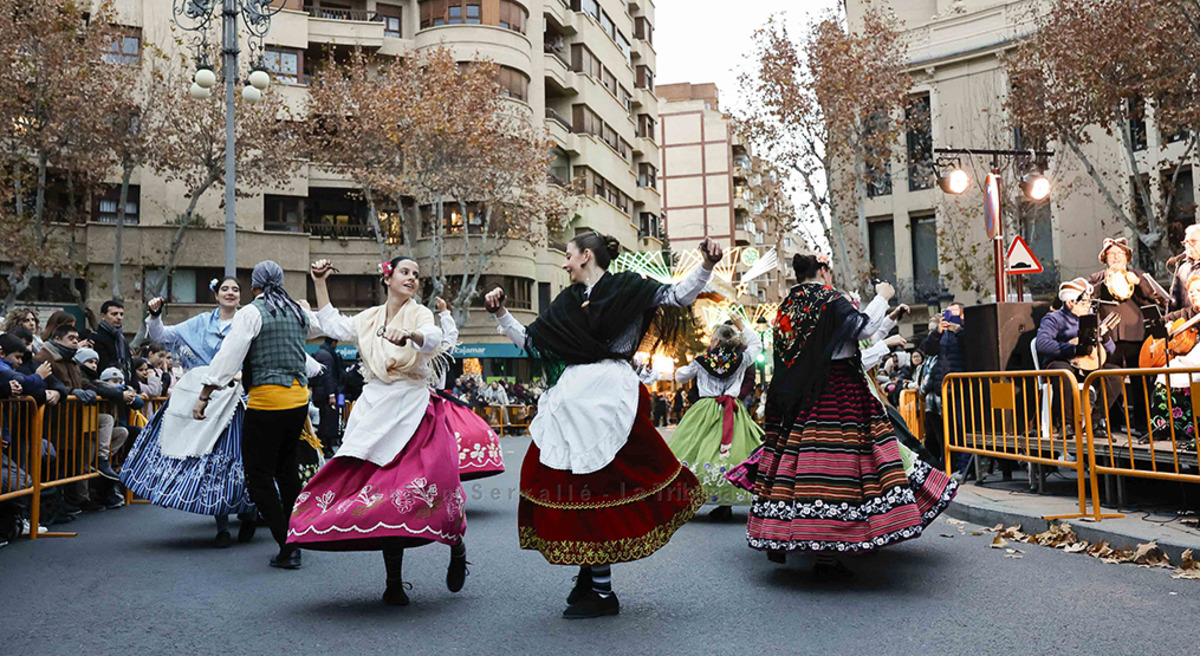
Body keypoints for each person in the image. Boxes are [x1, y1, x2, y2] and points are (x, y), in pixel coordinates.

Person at [483, 232, 716, 620]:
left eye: (569, 256)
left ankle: (603, 593)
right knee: (576, 488)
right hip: (572, 395)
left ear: (586, 256)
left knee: (604, 490)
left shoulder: (628, 287)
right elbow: (532, 342)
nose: (564, 264)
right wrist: (502, 313)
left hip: (611, 397)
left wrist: (706, 266)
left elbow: (677, 296)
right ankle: (589, 576)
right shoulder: (567, 302)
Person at [733, 254, 957, 580]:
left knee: (804, 465)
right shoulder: (829, 299)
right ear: (823, 271)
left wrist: (885, 317)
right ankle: (834, 546)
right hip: (839, 389)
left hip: (801, 395)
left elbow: (843, 337)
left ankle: (798, 535)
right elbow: (862, 329)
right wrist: (882, 296)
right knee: (849, 465)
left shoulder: (787, 306)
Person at [288, 257, 468, 608]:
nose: (412, 278)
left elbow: (431, 339)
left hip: (413, 408)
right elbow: (335, 326)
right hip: (374, 409)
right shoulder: (369, 317)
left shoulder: (420, 314)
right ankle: (394, 582)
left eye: (416, 275)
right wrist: (320, 281)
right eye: (405, 272)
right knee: (383, 496)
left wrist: (411, 335)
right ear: (389, 277)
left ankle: (457, 547)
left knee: (438, 487)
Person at [194, 262, 320, 569]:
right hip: (298, 398)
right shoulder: (298, 312)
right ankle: (296, 535)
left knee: (258, 476)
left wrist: (204, 394)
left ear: (254, 287)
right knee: (286, 472)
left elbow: (229, 356)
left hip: (267, 401)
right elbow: (315, 330)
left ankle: (287, 545)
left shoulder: (251, 312)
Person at [121, 278, 258, 547]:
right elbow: (161, 336)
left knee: (240, 460)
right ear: (216, 295)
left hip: (237, 401)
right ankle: (221, 526)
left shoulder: (249, 321)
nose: (230, 293)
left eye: (235, 289)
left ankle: (249, 511)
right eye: (225, 289)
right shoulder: (198, 324)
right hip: (203, 399)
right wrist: (155, 314)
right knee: (209, 461)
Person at [668, 316, 764, 521]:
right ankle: (725, 501)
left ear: (717, 342)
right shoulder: (742, 360)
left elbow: (680, 377)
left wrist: (687, 369)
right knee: (732, 453)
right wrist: (742, 327)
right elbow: (756, 344)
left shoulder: (701, 361)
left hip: (705, 409)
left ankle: (690, 496)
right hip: (732, 409)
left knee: (693, 449)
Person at [1035, 278, 1123, 434]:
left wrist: (1105, 336)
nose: (1088, 306)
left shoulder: (1092, 318)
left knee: (1114, 375)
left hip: (1088, 364)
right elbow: (1042, 344)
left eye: (1089, 302)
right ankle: (1066, 424)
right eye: (1084, 303)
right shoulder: (1053, 319)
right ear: (1070, 303)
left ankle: (1095, 422)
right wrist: (1074, 349)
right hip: (1061, 362)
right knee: (1065, 374)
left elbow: (1110, 351)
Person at [432, 297, 505, 482]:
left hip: (432, 404)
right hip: (426, 403)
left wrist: (445, 312)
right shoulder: (433, 351)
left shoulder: (438, 352)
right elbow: (451, 334)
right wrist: (444, 312)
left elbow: (451, 335)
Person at [1087, 237, 1168, 368]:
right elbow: (1087, 297)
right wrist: (1104, 283)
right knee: (1112, 378)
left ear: (1127, 257)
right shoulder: (1095, 278)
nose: (1116, 257)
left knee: (1139, 378)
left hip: (1136, 335)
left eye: (1120, 253)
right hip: (1109, 338)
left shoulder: (1139, 275)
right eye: (1112, 254)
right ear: (1105, 258)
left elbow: (1158, 298)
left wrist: (1139, 283)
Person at [309, 336, 344, 455]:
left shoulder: (320, 353)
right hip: (325, 394)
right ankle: (325, 447)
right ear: (333, 342)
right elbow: (328, 376)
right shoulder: (327, 356)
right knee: (328, 421)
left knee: (323, 420)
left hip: (319, 392)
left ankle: (324, 446)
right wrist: (331, 394)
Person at [1170, 224, 1200, 313]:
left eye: (1193, 241)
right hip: (1188, 320)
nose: (1188, 245)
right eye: (1186, 242)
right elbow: (1176, 300)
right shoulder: (1182, 268)